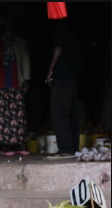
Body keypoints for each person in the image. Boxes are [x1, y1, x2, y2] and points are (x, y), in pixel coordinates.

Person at [0, 17, 31, 156]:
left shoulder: (18, 42)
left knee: (18, 116)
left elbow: (25, 59)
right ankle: (5, 148)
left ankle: (17, 145)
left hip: (15, 83)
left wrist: (26, 79)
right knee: (1, 116)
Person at [46, 18, 81, 156]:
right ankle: (73, 147)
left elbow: (59, 47)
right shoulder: (74, 26)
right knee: (72, 112)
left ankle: (66, 149)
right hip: (74, 74)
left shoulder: (62, 26)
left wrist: (50, 69)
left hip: (63, 74)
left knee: (59, 111)